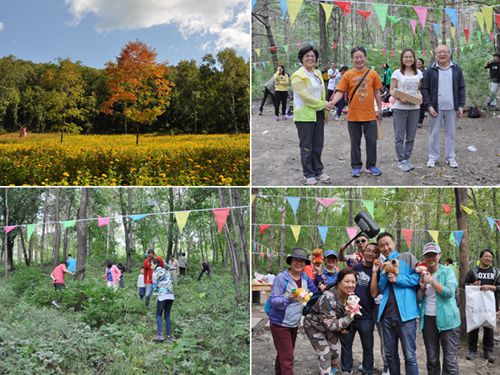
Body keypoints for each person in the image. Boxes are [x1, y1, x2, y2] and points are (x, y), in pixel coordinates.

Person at [329, 46, 383, 178]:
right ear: (352, 59)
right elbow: (340, 92)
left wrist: (380, 109)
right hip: (353, 116)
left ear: (365, 57)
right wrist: (332, 103)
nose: (359, 59)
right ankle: (356, 166)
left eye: (361, 56)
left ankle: (371, 166)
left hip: (370, 115)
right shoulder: (348, 75)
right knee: (355, 143)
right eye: (356, 57)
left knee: (371, 142)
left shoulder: (373, 74)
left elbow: (377, 92)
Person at [268, 248, 318, 374]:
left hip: (294, 323)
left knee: (283, 354)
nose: (299, 263)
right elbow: (274, 300)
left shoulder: (305, 278)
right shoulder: (281, 278)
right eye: (296, 260)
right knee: (288, 358)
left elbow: (315, 292)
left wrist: (320, 279)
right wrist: (288, 298)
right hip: (280, 324)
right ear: (291, 261)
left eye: (302, 261)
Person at [376, 232, 420, 375]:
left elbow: (420, 278)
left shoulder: (407, 257)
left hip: (406, 316)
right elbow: (382, 289)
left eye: (387, 243)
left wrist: (398, 278)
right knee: (390, 355)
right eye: (381, 245)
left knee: (410, 356)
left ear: (394, 243)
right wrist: (383, 273)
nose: (385, 247)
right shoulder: (383, 264)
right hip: (387, 316)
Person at [416, 243, 461, 375]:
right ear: (424, 258)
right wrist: (423, 287)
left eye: (433, 255)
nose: (431, 258)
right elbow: (419, 298)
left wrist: (431, 281)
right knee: (432, 358)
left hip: (449, 321)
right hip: (428, 319)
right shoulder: (423, 274)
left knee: (450, 360)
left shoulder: (447, 271)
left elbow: (449, 293)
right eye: (428, 255)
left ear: (439, 255)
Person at [304, 269, 357, 374]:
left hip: (328, 325)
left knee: (336, 351)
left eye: (353, 282)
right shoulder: (328, 298)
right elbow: (332, 325)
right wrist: (349, 318)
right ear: (339, 282)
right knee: (325, 354)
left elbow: (341, 315)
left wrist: (345, 327)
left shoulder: (350, 296)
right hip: (314, 326)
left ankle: (332, 370)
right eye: (347, 281)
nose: (351, 285)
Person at [291, 45, 330, 185]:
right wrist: (324, 104)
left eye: (313, 56)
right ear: (301, 58)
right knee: (307, 146)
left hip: (318, 114)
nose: (310, 58)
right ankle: (308, 173)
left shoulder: (317, 73)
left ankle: (318, 170)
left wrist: (324, 109)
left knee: (318, 144)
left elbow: (322, 92)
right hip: (304, 116)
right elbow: (306, 97)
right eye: (307, 56)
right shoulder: (297, 76)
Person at [421, 44, 466, 169]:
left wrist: (461, 105)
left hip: (452, 107)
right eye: (439, 52)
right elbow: (425, 89)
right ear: (435, 55)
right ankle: (433, 157)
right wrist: (428, 106)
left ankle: (450, 157)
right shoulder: (430, 69)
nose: (442, 54)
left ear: (449, 53)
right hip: (435, 108)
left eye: (444, 52)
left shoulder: (456, 68)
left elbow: (461, 87)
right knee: (434, 133)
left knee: (450, 133)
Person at [341, 243, 380, 375]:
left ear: (377, 255)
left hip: (367, 315)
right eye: (368, 250)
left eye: (374, 252)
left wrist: (375, 272)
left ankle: (367, 370)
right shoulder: (356, 268)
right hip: (349, 314)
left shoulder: (378, 272)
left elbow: (376, 292)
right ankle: (347, 369)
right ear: (364, 252)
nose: (370, 253)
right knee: (346, 344)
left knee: (368, 346)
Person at [463, 249, 500, 363]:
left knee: (489, 327)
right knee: (474, 326)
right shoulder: (473, 271)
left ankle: (488, 351)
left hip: (491, 304)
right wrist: (472, 284)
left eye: (490, 257)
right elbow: (464, 284)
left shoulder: (496, 272)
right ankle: (472, 350)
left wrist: (491, 287)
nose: (488, 258)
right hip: (475, 304)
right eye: (486, 256)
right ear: (480, 258)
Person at [390, 48, 423, 172]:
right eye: (405, 57)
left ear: (413, 58)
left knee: (411, 135)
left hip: (414, 108)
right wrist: (399, 97)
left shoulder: (419, 73)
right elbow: (392, 90)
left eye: (410, 57)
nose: (408, 59)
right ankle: (401, 160)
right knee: (399, 135)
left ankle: (407, 158)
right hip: (400, 107)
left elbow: (418, 89)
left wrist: (420, 96)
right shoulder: (396, 73)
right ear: (402, 59)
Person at [151, 258, 175, 343]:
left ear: (155, 264)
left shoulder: (155, 272)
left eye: (152, 264)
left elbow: (154, 286)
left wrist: (155, 295)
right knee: (167, 316)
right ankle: (169, 337)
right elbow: (171, 281)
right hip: (171, 295)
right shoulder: (166, 271)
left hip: (162, 295)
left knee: (158, 315)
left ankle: (160, 335)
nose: (151, 266)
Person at [416, 58, 426, 128]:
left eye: (419, 62)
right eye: (417, 62)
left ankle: (420, 121)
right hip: (414, 91)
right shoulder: (413, 71)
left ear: (422, 64)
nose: (418, 63)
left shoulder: (425, 72)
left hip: (422, 90)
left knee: (421, 106)